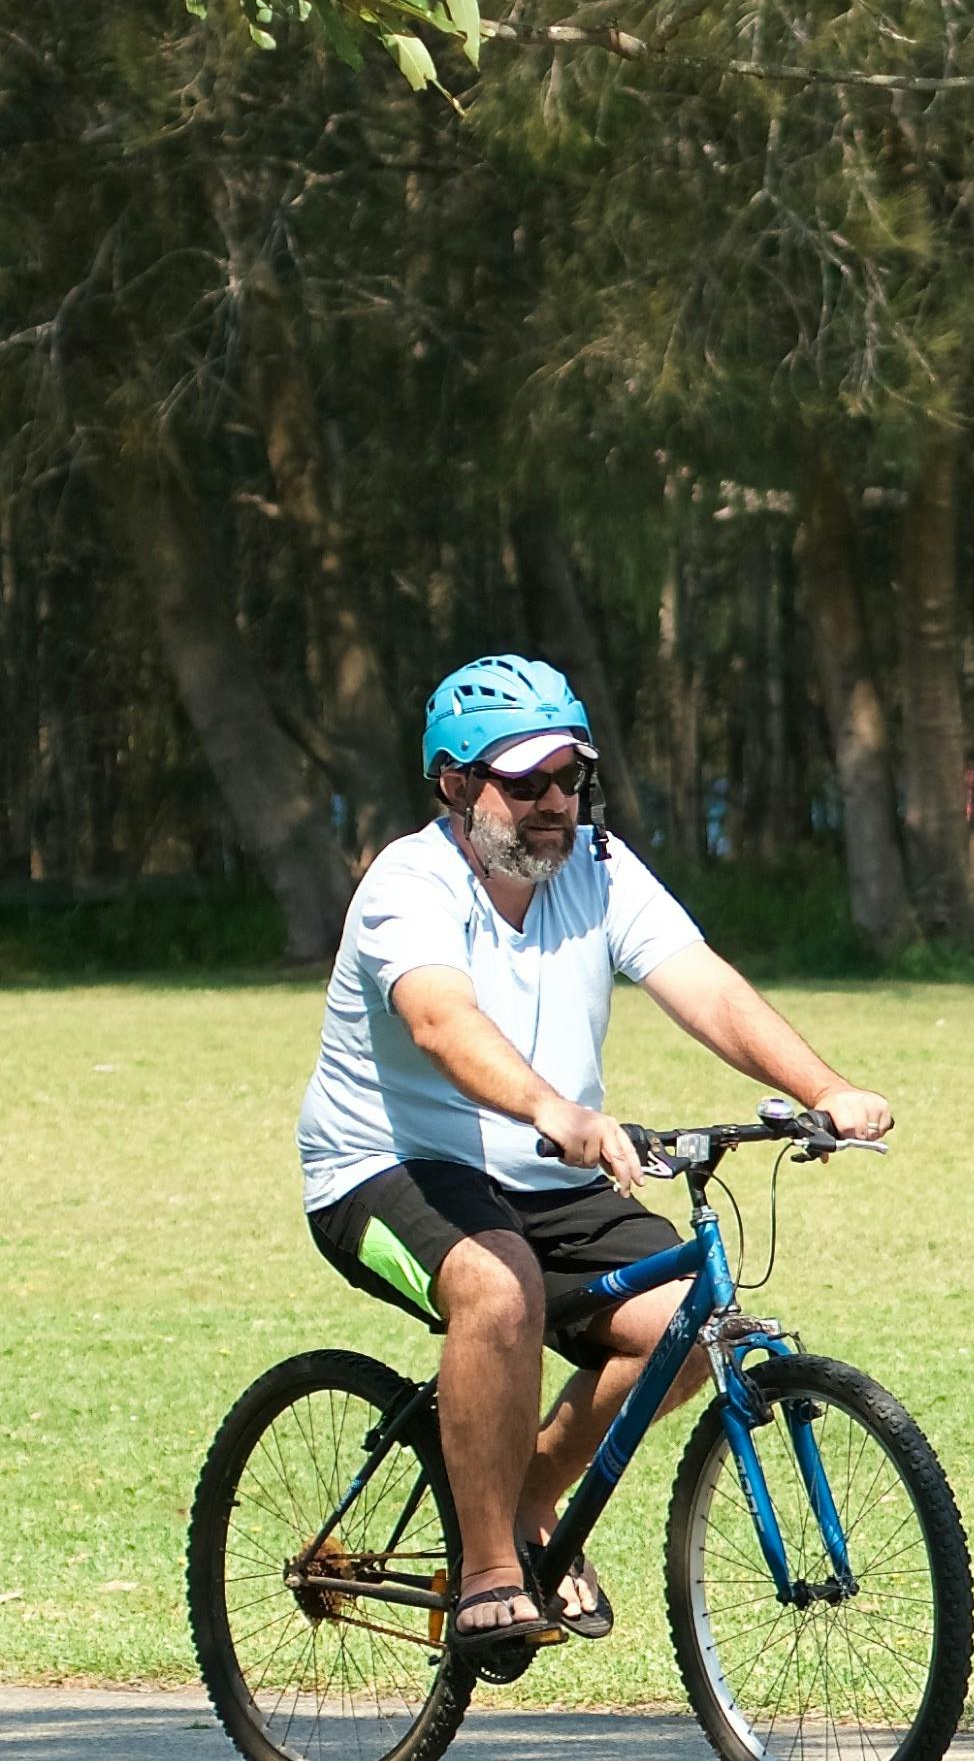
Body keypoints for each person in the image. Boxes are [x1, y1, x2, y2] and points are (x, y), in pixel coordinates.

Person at [298, 655, 896, 1680]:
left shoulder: (599, 870)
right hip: (387, 1168)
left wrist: (824, 1088)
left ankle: (528, 1494)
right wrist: (549, 1107)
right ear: (452, 781)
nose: (552, 805)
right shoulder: (410, 883)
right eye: (523, 783)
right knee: (497, 1288)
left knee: (693, 1326)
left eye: (569, 779)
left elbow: (703, 984)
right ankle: (487, 1570)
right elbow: (441, 1021)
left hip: (546, 1173)